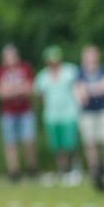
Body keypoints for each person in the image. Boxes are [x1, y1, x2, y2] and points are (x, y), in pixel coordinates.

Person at [33, 45, 81, 186]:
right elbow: (39, 95)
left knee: (71, 144)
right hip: (52, 116)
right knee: (57, 147)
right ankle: (63, 171)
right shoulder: (42, 76)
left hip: (69, 113)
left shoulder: (70, 71)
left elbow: (78, 88)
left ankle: (75, 170)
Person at [0, 44, 37, 182]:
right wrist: (19, 88)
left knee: (28, 140)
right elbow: (0, 93)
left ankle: (31, 169)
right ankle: (14, 172)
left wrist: (11, 90)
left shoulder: (25, 68)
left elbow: (29, 90)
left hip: (25, 111)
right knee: (10, 143)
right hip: (8, 113)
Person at [75, 45, 104, 180]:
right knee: (90, 142)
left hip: (103, 109)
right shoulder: (80, 72)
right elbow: (80, 94)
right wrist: (98, 88)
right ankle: (94, 169)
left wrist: (89, 89)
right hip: (87, 112)